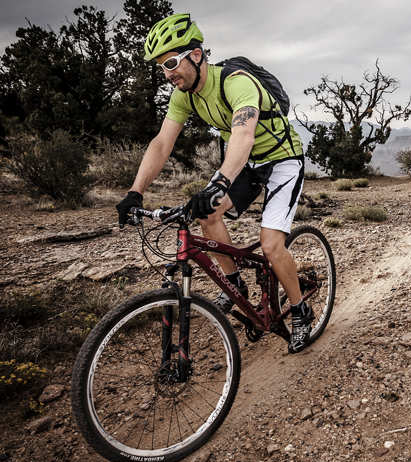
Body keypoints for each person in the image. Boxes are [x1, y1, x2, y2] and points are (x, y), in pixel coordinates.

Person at [115, 13, 314, 353]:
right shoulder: (184, 95)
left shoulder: (236, 82)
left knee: (270, 246)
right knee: (207, 215)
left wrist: (219, 183)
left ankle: (300, 310)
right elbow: (162, 143)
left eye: (172, 62)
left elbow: (243, 134)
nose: (168, 73)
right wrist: (135, 192)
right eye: (161, 67)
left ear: (195, 54)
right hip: (246, 165)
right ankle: (234, 282)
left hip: (281, 159)